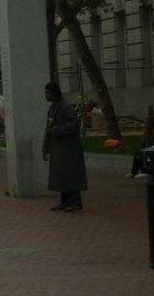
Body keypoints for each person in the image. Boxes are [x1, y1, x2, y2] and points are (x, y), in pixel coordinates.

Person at [42, 82, 87, 212]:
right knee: (61, 176)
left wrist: (57, 130)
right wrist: (45, 148)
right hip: (58, 150)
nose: (45, 95)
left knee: (70, 175)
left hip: (68, 149)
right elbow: (48, 129)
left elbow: (73, 125)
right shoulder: (52, 108)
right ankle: (64, 201)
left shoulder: (66, 107)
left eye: (47, 92)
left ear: (54, 93)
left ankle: (75, 202)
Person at [129, 115, 154, 179]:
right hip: (147, 150)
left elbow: (152, 143)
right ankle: (134, 172)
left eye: (147, 123)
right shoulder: (147, 132)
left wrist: (144, 150)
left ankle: (146, 172)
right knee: (137, 154)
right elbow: (143, 143)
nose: (146, 125)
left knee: (142, 156)